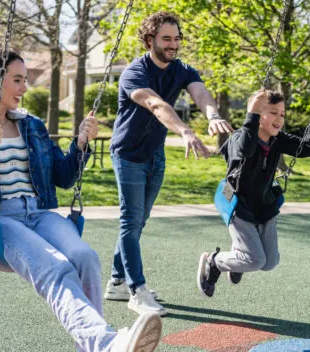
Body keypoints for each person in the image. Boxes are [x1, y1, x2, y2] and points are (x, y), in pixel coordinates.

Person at [0, 48, 162, 352]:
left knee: (85, 259)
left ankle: (91, 347)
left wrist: (80, 142)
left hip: (39, 214)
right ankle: (106, 345)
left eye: (25, 80)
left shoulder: (32, 125)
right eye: (18, 80)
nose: (25, 88)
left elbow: (64, 177)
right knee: (57, 268)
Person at [105, 11, 234, 316]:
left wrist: (213, 115)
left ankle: (116, 281)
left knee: (138, 222)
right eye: (167, 38)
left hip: (154, 156)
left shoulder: (181, 69)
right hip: (128, 155)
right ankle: (137, 290)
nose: (174, 44)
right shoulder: (134, 72)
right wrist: (186, 131)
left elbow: (200, 93)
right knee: (130, 220)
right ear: (150, 40)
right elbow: (156, 104)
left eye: (177, 38)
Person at [197, 89, 310, 298]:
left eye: (282, 114)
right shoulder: (240, 137)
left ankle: (238, 255)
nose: (279, 119)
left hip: (263, 205)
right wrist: (252, 115)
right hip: (238, 203)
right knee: (255, 260)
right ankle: (214, 261)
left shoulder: (278, 140)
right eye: (273, 113)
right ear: (257, 114)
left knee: (270, 262)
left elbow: (307, 148)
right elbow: (245, 150)